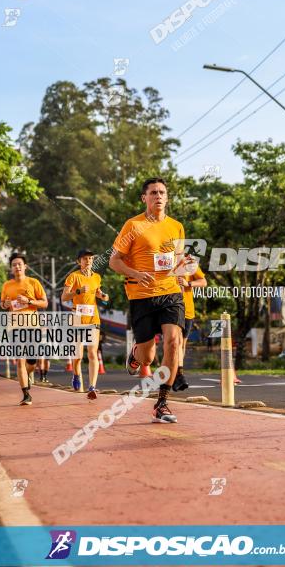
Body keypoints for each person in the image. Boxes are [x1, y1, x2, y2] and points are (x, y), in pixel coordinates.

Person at [110, 177, 196, 423]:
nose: (158, 196)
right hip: (142, 295)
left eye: (162, 192)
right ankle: (136, 355)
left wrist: (182, 271)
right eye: (153, 193)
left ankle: (162, 403)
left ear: (167, 198)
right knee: (148, 356)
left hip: (170, 293)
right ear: (144, 198)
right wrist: (136, 274)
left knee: (173, 342)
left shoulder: (176, 226)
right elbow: (115, 261)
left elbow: (178, 258)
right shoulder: (133, 225)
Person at [0, 252, 48, 406]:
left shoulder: (33, 283)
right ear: (11, 268)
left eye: (19, 264)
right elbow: (2, 304)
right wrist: (5, 305)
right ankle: (26, 394)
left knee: (32, 362)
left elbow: (44, 303)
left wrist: (28, 300)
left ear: (25, 266)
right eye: (14, 265)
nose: (17, 267)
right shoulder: (7, 285)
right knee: (20, 360)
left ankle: (27, 374)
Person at [61, 249, 109, 400]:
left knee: (92, 353)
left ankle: (92, 386)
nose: (88, 261)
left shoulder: (96, 277)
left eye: (90, 258)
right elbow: (63, 297)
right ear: (78, 261)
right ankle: (76, 374)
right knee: (78, 356)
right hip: (77, 318)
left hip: (93, 318)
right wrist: (78, 291)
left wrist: (103, 296)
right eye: (84, 259)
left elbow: (97, 292)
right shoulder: (73, 277)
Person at [173, 263, 207, 391]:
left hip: (188, 311)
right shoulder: (164, 260)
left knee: (182, 345)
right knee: (177, 341)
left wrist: (189, 284)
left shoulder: (189, 263)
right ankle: (179, 374)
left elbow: (203, 281)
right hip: (172, 309)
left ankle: (176, 373)